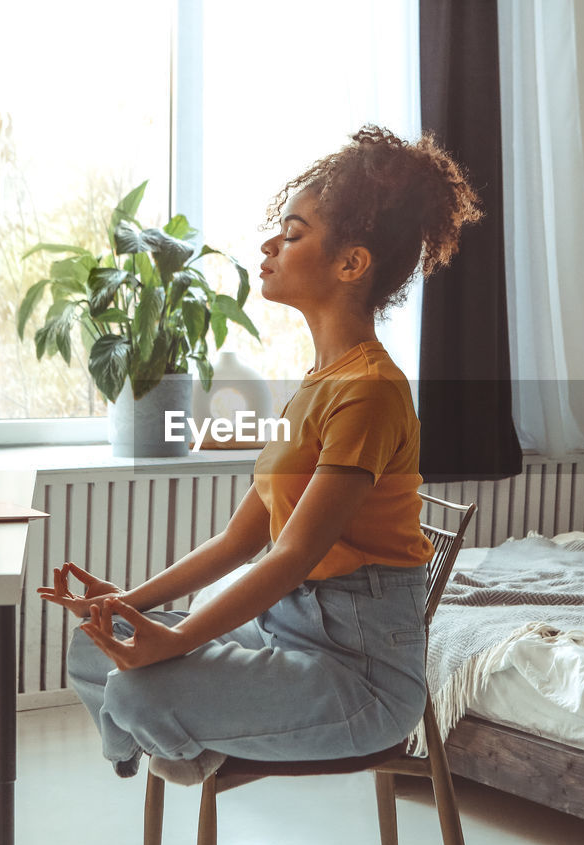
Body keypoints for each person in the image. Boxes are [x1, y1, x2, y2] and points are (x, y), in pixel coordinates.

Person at [38, 125, 482, 784]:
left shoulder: (370, 392)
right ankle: (176, 741)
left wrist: (179, 639)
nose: (271, 245)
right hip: (284, 635)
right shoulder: (314, 387)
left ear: (351, 263)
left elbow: (292, 554)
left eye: (295, 233)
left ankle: (181, 740)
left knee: (135, 691)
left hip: (358, 676)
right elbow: (236, 540)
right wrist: (132, 601)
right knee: (93, 647)